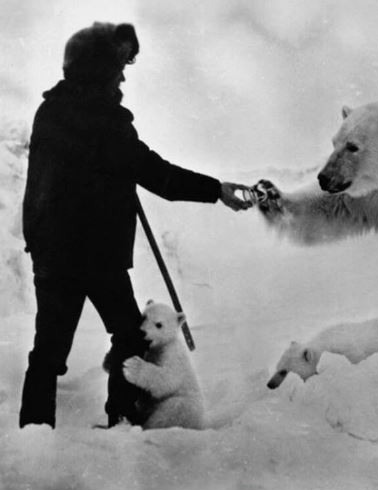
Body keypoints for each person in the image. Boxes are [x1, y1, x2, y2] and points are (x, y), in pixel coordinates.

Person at [20, 22, 252, 429]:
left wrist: (37, 241)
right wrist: (217, 190)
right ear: (99, 71)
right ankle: (122, 420)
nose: (124, 76)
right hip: (97, 257)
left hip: (53, 254)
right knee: (129, 337)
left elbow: (40, 184)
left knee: (48, 351)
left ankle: (34, 436)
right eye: (118, 69)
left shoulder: (51, 111)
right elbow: (158, 175)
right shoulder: (107, 122)